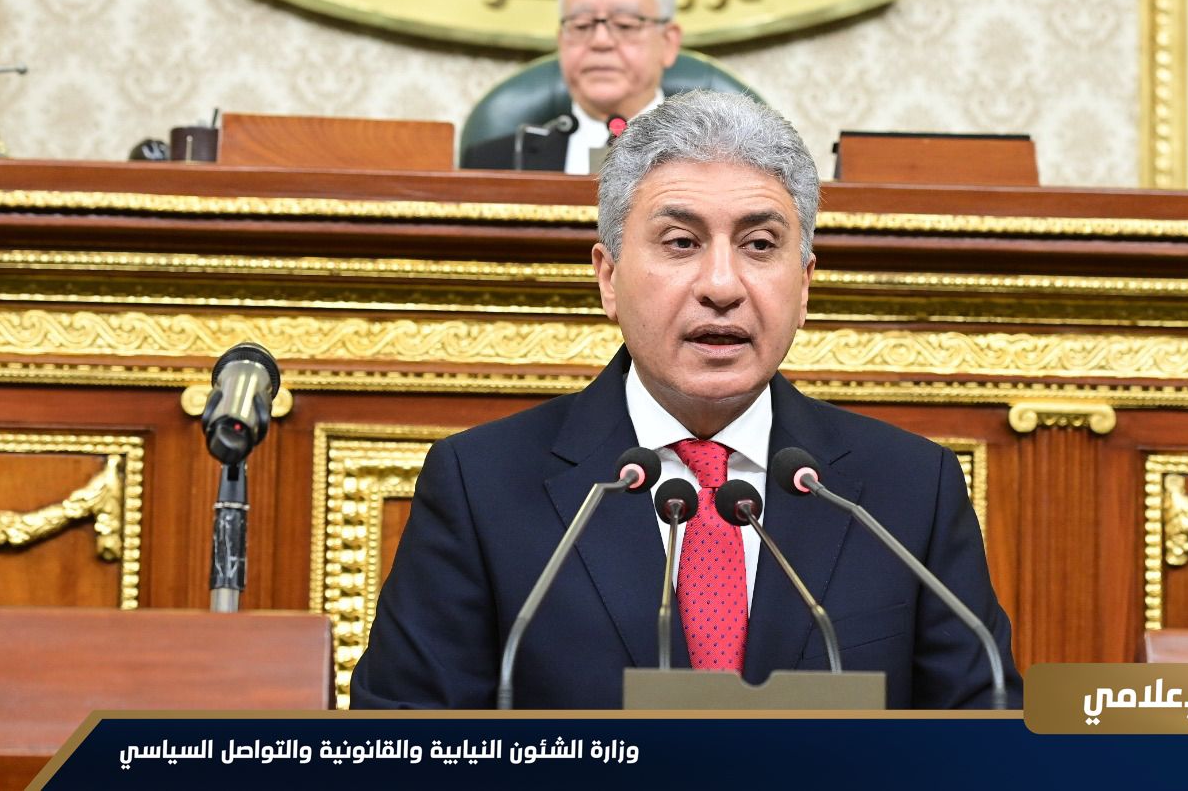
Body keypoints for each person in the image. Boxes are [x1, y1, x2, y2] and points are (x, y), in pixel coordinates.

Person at [351, 91, 1022, 709]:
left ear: (804, 285)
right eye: (681, 243)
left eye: (760, 245)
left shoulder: (909, 491)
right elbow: (403, 744)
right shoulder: (482, 485)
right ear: (608, 278)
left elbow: (986, 735)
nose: (722, 286)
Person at [548, 0, 684, 174]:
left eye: (625, 24)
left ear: (668, 43)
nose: (601, 41)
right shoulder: (498, 161)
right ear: (561, 41)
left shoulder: (715, 159)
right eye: (581, 25)